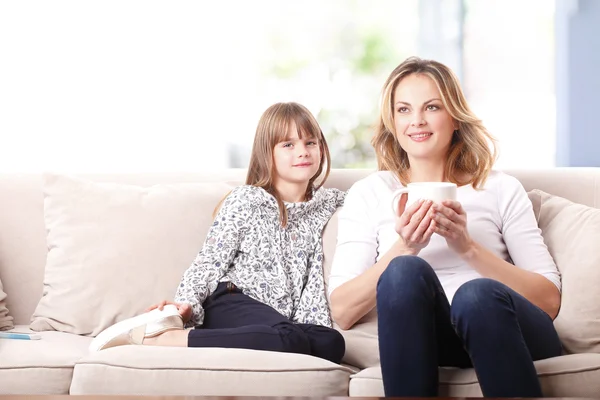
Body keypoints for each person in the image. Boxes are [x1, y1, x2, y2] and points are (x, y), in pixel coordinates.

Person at [328, 57, 562, 396]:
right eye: (404, 110)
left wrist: (468, 247)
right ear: (392, 122)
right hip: (429, 338)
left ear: (454, 117)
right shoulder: (370, 193)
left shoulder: (499, 188)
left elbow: (548, 301)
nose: (417, 121)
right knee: (404, 269)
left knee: (475, 294)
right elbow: (343, 311)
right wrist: (404, 247)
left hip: (505, 327)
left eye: (432, 107)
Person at [89, 102, 346, 364]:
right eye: (288, 145)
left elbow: (377, 199)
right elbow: (209, 262)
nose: (303, 152)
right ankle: (164, 339)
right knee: (287, 337)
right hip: (232, 300)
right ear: (267, 153)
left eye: (311, 143)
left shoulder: (331, 203)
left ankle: (253, 338)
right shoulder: (246, 200)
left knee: (331, 342)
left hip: (279, 317)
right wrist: (186, 304)